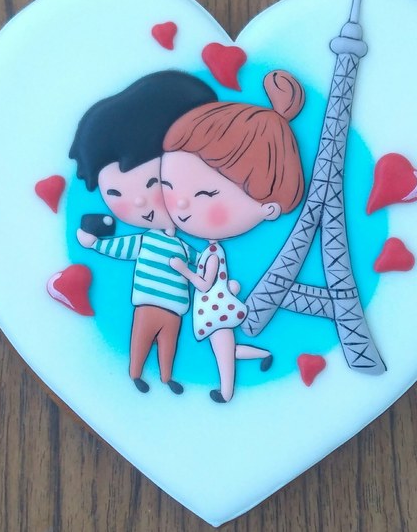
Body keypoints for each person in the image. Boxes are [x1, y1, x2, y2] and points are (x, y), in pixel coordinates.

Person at [160, 69, 306, 402]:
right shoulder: (213, 248)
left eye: (205, 195)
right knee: (225, 348)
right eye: (168, 186)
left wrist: (182, 269)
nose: (180, 205)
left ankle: (226, 392)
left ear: (269, 208)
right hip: (218, 307)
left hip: (214, 308)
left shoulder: (213, 252)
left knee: (224, 349)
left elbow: (203, 283)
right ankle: (261, 357)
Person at [70, 71, 216, 394]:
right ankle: (136, 373)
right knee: (141, 339)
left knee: (169, 342)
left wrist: (210, 256)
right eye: (115, 194)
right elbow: (121, 248)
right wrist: (94, 244)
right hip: (148, 302)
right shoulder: (144, 240)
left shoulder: (184, 242)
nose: (139, 202)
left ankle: (166, 377)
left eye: (154, 183)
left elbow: (198, 258)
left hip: (176, 306)